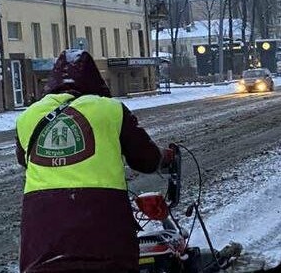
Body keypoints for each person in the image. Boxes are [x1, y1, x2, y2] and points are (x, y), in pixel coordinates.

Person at [16, 49, 175, 272]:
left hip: (42, 233)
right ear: (95, 79)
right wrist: (163, 157)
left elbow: (25, 160)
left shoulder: (28, 116)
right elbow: (145, 160)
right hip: (102, 226)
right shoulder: (110, 110)